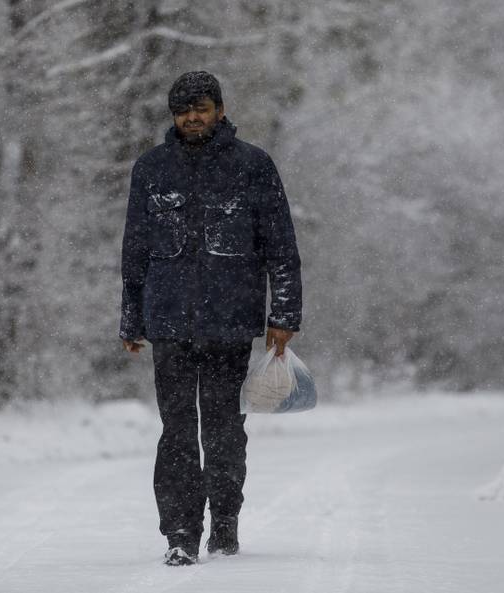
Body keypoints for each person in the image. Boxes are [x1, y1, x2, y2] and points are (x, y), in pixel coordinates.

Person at [119, 71, 302, 566]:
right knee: (175, 429)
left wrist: (283, 314)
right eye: (183, 111)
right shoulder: (152, 169)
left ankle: (224, 519)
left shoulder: (253, 166)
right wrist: (131, 316)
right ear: (173, 117)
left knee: (223, 429)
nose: (192, 118)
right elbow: (135, 249)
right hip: (169, 323)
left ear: (220, 110)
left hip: (231, 322)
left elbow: (281, 248)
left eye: (201, 108)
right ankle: (180, 531)